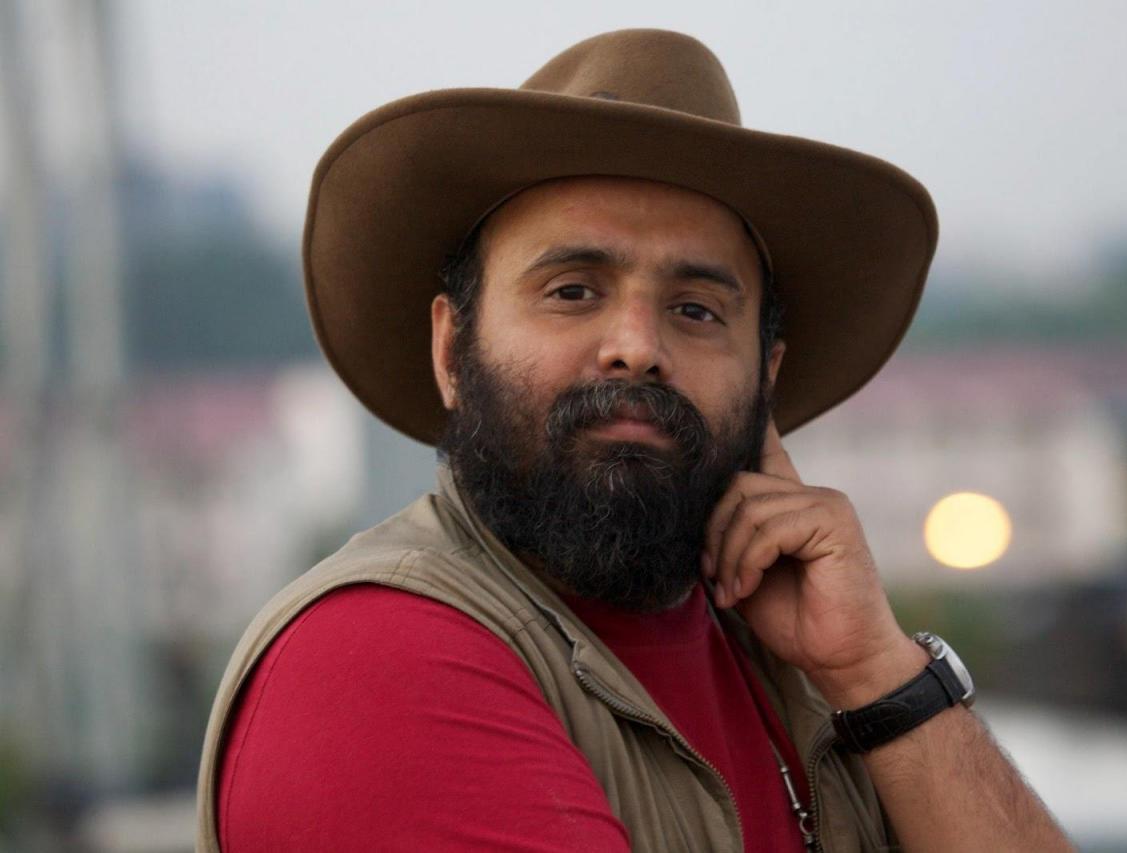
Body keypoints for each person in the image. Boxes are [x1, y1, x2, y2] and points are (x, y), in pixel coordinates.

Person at [196, 29, 1070, 852]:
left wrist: (879, 672)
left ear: (766, 376)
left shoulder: (812, 670)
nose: (638, 347)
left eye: (696, 309)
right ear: (452, 349)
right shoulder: (372, 660)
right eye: (573, 290)